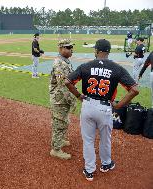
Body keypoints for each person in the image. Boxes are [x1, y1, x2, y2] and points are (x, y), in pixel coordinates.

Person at [65, 39, 139, 181]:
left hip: (88, 105)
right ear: (108, 52)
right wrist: (118, 105)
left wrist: (79, 95)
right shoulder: (117, 68)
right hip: (105, 107)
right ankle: (106, 164)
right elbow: (134, 90)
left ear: (96, 51)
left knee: (88, 140)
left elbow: (68, 81)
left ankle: (89, 170)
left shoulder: (86, 66)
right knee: (105, 139)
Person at [49, 39, 76, 160]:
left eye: (71, 47)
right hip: (60, 98)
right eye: (68, 47)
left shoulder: (66, 61)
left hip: (63, 98)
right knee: (59, 123)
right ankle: (56, 149)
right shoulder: (59, 63)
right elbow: (63, 84)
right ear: (60, 49)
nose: (71, 49)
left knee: (64, 120)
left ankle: (60, 140)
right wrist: (73, 99)